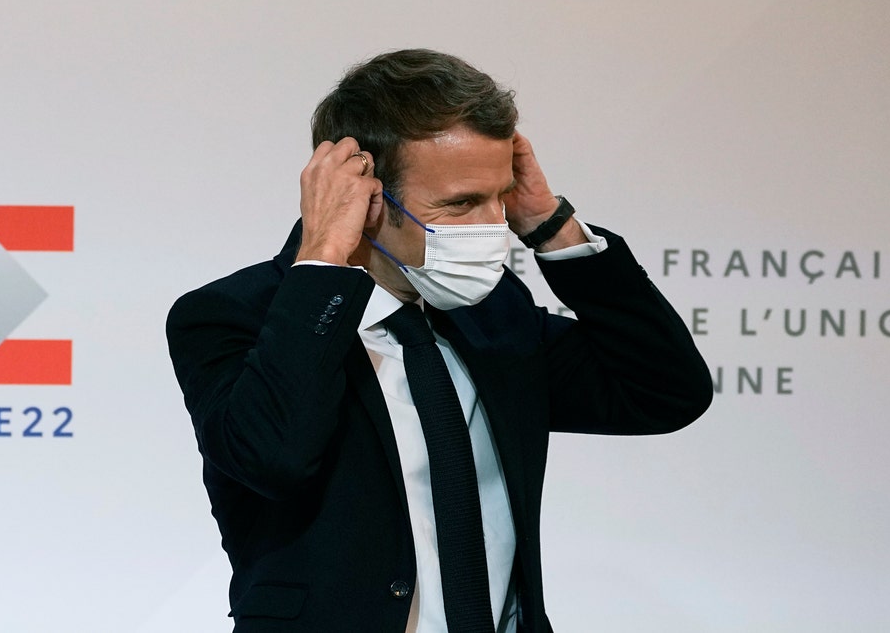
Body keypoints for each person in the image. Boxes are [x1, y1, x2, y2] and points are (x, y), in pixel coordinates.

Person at [166, 49, 712, 633]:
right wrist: (324, 256)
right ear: (366, 196)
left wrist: (551, 225)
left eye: (498, 197)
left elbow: (664, 391)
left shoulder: (494, 311)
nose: (491, 225)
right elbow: (274, 460)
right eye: (459, 204)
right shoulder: (230, 316)